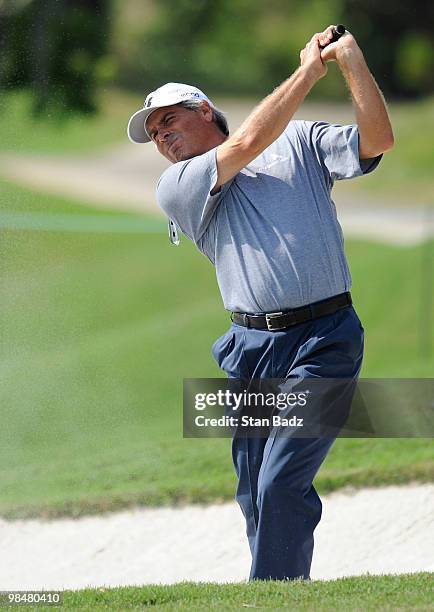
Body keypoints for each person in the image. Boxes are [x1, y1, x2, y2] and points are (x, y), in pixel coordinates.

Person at [127, 25, 393, 581]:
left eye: (168, 120)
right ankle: (282, 590)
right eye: (154, 133)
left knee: (280, 481)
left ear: (203, 109)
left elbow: (377, 140)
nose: (163, 138)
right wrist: (308, 71)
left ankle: (269, 592)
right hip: (249, 351)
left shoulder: (300, 140)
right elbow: (247, 143)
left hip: (326, 340)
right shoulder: (178, 185)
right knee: (254, 492)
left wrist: (349, 60)